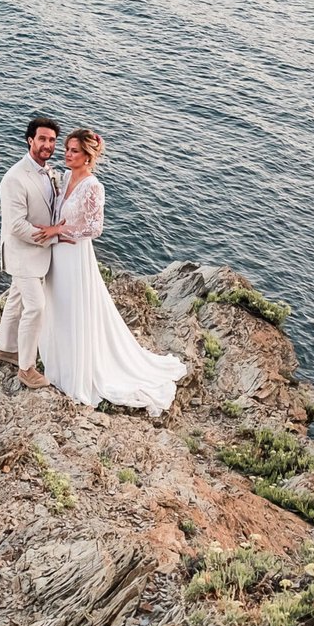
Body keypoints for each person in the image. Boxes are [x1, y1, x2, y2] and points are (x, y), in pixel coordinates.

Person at [40, 129, 186, 415]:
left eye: (74, 151)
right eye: (67, 149)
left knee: (74, 307)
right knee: (57, 304)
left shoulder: (93, 186)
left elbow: (95, 228)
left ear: (88, 157)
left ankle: (78, 369)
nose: (67, 154)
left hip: (75, 253)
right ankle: (59, 358)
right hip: (58, 250)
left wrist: (60, 230)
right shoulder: (67, 177)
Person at [0, 117, 64, 389]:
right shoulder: (14, 178)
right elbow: (16, 226)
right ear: (30, 140)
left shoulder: (49, 171)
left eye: (52, 140)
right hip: (22, 253)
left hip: (34, 254)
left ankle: (6, 348)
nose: (47, 145)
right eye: (42, 139)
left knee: (15, 301)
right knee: (35, 307)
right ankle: (26, 368)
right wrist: (51, 235)